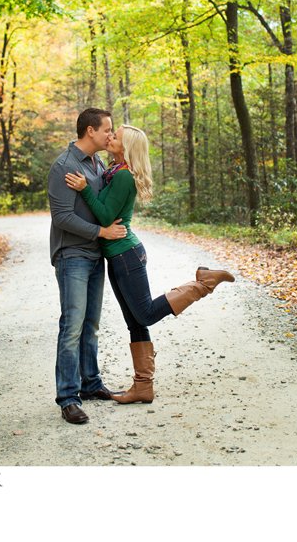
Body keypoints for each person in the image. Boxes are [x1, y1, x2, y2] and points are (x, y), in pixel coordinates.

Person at [65, 124, 234, 404]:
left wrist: (84, 190)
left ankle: (202, 283)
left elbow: (106, 216)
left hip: (125, 255)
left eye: (115, 136)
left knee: (143, 315)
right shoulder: (113, 170)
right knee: (135, 322)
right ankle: (143, 386)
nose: (110, 137)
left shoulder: (123, 177)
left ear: (126, 146)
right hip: (118, 255)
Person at [48, 108, 128, 425]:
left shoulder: (97, 163)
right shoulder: (63, 166)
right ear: (90, 131)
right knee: (72, 326)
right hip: (72, 256)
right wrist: (101, 232)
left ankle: (91, 383)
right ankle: (68, 397)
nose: (110, 135)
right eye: (107, 130)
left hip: (96, 256)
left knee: (91, 325)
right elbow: (62, 218)